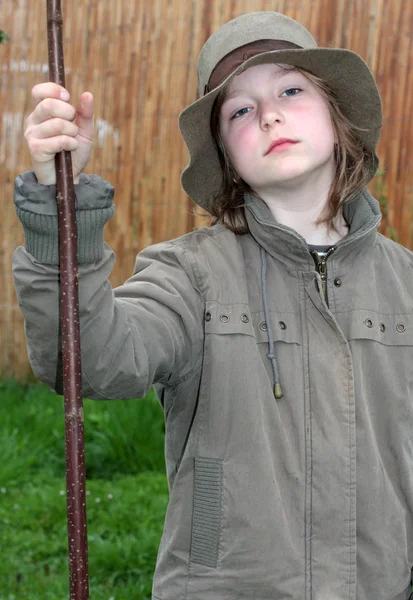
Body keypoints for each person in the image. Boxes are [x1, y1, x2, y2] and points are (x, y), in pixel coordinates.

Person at [12, 10, 413, 600]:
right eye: (240, 110)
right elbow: (88, 362)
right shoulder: (189, 274)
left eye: (291, 89)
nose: (269, 113)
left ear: (337, 114)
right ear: (225, 153)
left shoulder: (405, 283)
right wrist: (58, 206)